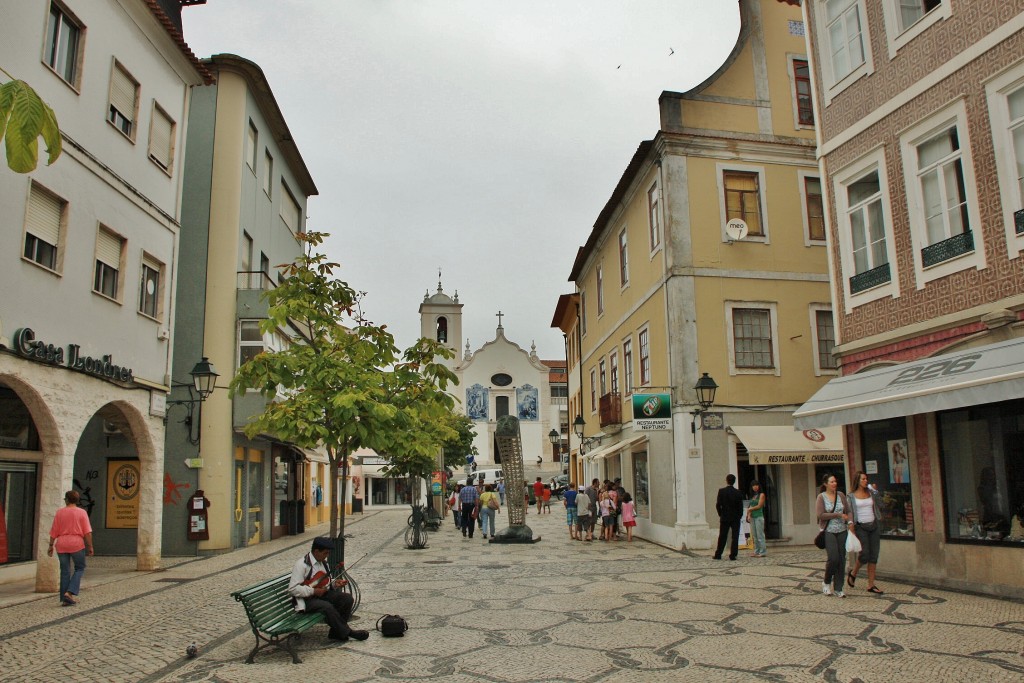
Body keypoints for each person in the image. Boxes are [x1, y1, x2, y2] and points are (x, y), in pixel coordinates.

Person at [288, 537, 368, 643]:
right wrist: (313, 591)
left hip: (320, 595)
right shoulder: (302, 565)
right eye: (325, 553)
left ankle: (336, 633)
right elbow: (292, 589)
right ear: (316, 551)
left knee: (347, 599)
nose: (327, 556)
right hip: (305, 600)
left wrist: (335, 583)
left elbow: (324, 582)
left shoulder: (323, 563)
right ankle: (347, 632)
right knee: (326, 607)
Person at [47, 490, 93, 606]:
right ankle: (69, 592)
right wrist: (90, 546)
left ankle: (64, 598)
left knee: (65, 571)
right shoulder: (82, 512)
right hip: (76, 543)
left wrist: (51, 545)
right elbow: (87, 532)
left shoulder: (59, 513)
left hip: (61, 543)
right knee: (79, 568)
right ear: (77, 500)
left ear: (66, 500)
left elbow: (54, 531)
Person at [847, 471, 884, 594]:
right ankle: (853, 572)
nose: (865, 481)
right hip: (860, 526)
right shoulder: (851, 496)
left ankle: (871, 584)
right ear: (857, 480)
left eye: (866, 479)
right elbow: (849, 511)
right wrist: (850, 524)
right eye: (863, 479)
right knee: (865, 554)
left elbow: (881, 504)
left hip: (873, 525)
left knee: (874, 555)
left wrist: (875, 492)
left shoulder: (871, 493)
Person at [817, 474, 851, 598]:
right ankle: (826, 582)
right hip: (828, 530)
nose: (834, 483)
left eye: (835, 481)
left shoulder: (841, 495)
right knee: (833, 558)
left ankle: (838, 588)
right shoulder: (821, 497)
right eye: (832, 481)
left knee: (842, 559)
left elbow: (848, 510)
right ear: (826, 484)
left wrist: (850, 521)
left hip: (842, 530)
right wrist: (837, 515)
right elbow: (821, 515)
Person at [713, 474, 744, 561]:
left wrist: (720, 514)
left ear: (726, 480)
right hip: (735, 518)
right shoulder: (738, 492)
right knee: (735, 536)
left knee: (722, 536)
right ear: (734, 481)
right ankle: (733, 555)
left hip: (725, 517)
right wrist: (739, 515)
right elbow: (740, 507)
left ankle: (718, 554)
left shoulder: (722, 491)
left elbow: (718, 505)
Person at [746, 480, 767, 558]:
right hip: (753, 517)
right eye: (753, 485)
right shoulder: (752, 496)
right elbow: (750, 506)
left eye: (756, 485)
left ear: (759, 486)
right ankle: (756, 551)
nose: (755, 487)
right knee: (754, 535)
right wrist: (748, 515)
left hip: (759, 516)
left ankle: (763, 551)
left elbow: (759, 505)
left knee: (760, 535)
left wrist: (750, 510)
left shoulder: (761, 495)